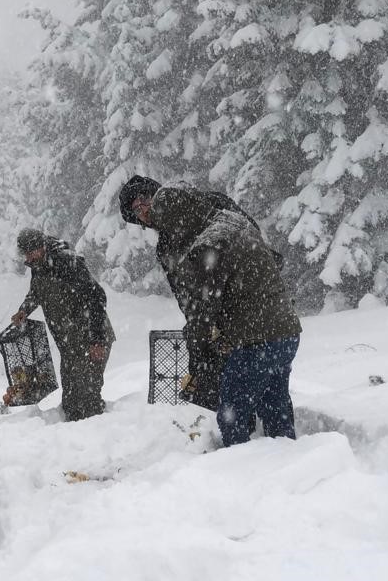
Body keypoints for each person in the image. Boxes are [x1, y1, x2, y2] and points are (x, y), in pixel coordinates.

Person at [120, 176, 301, 446]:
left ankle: (240, 460)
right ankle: (285, 457)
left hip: (252, 332)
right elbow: (190, 295)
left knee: (233, 408)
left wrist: (199, 344)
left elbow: (202, 302)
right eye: (138, 210)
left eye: (146, 203)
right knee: (272, 400)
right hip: (278, 326)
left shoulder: (206, 240)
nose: (145, 213)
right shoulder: (215, 221)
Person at [10, 228, 115, 421]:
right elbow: (36, 293)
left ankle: (97, 439)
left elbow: (96, 297)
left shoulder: (67, 261)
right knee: (71, 400)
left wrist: (97, 340)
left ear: (40, 247)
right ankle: (71, 443)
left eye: (30, 251)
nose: (28, 257)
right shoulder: (38, 266)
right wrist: (24, 310)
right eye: (25, 253)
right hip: (70, 345)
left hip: (91, 338)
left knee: (88, 397)